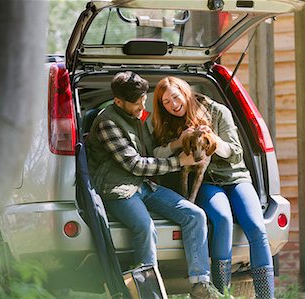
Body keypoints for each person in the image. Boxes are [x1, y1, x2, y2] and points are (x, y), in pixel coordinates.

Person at [86, 71, 222, 299]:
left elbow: (152, 151)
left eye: (143, 98)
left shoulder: (137, 117)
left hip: (143, 185)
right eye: (136, 102)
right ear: (118, 102)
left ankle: (201, 285)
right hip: (117, 189)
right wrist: (179, 162)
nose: (142, 104)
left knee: (195, 215)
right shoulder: (106, 123)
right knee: (145, 227)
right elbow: (135, 164)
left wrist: (183, 139)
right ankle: (149, 294)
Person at [152, 76, 275, 299]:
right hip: (207, 182)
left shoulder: (218, 111)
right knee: (223, 220)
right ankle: (222, 292)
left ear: (186, 93)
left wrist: (214, 141)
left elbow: (236, 152)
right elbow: (156, 154)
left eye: (176, 97)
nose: (173, 104)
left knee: (257, 227)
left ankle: (267, 296)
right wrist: (179, 141)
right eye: (166, 102)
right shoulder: (168, 122)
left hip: (235, 177)